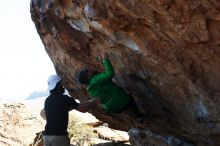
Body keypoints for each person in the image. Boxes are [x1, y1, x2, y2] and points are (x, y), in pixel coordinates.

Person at [76, 53, 145, 122]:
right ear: (88, 77)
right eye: (87, 71)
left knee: (124, 106)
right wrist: (105, 59)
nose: (89, 70)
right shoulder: (96, 79)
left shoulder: (90, 90)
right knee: (130, 99)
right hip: (122, 100)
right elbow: (109, 74)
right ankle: (139, 116)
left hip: (113, 109)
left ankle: (132, 114)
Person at [42, 74, 86, 146]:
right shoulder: (65, 99)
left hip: (46, 137)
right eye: (61, 83)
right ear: (58, 85)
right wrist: (94, 102)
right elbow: (83, 110)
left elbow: (59, 110)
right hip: (59, 138)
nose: (63, 86)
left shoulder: (47, 100)